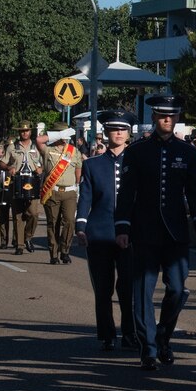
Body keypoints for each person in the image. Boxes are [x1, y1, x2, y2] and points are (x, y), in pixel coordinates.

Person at [113, 95, 196, 371]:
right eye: (162, 115)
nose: (167, 119)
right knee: (142, 291)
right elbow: (127, 193)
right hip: (144, 230)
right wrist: (123, 226)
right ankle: (148, 348)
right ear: (154, 117)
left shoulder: (187, 152)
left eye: (172, 115)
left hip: (176, 231)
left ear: (177, 117)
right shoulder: (137, 151)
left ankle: (163, 335)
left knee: (177, 289)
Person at [76, 111, 136, 352]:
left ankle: (130, 333)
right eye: (114, 129)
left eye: (122, 129)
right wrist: (81, 226)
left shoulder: (136, 162)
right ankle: (107, 334)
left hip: (130, 233)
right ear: (106, 133)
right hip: (99, 232)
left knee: (128, 286)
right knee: (103, 288)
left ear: (129, 133)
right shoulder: (92, 164)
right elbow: (85, 198)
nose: (119, 133)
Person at [37, 126, 84, 265]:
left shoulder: (73, 150)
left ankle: (65, 250)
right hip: (52, 191)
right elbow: (39, 140)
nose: (65, 136)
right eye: (62, 133)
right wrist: (55, 135)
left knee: (69, 221)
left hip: (70, 192)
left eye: (66, 133)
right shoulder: (48, 150)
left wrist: (77, 185)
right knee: (53, 223)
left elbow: (78, 169)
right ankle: (53, 254)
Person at [1, 124, 43, 255]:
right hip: (17, 181)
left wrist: (41, 169)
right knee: (18, 215)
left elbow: (45, 162)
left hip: (32, 181)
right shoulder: (12, 147)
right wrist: (9, 168)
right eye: (22, 131)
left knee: (33, 214)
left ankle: (28, 237)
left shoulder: (37, 146)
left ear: (31, 131)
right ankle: (19, 245)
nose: (24, 133)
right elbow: (2, 162)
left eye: (27, 130)